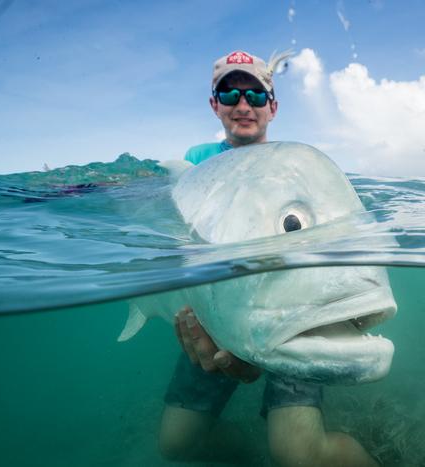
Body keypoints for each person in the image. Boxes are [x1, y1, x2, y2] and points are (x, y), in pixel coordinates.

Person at [158, 50, 379, 467]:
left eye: (256, 96)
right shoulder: (193, 166)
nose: (243, 105)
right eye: (230, 93)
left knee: (299, 456)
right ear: (214, 104)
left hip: (294, 312)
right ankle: (252, 456)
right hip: (211, 316)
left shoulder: (298, 174)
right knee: (176, 444)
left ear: (273, 107)